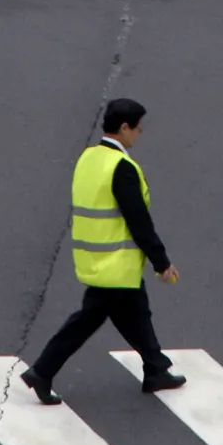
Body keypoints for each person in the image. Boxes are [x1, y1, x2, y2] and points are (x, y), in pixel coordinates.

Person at [22, 98, 185, 404]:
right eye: (137, 128)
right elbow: (138, 220)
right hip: (116, 262)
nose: (139, 134)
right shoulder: (121, 167)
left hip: (94, 256)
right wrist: (161, 262)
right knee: (89, 319)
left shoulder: (89, 157)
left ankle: (156, 368)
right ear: (124, 128)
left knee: (136, 312)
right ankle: (42, 371)